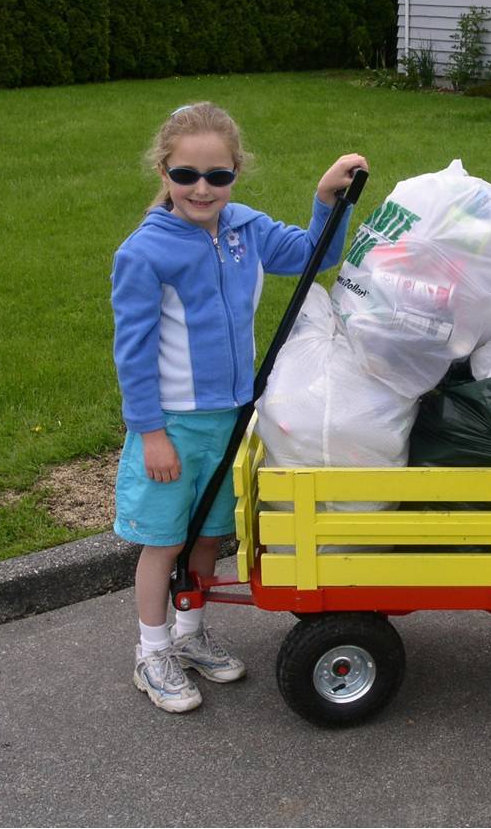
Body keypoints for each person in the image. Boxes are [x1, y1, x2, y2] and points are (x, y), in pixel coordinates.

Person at [110, 101, 367, 713]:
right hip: (172, 424)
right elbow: (133, 354)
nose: (202, 189)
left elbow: (315, 256)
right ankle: (152, 652)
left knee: (208, 538)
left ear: (236, 174)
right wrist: (150, 433)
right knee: (164, 542)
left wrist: (330, 200)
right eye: (186, 175)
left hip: (231, 419)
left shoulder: (245, 231)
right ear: (164, 171)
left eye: (218, 176)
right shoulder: (144, 254)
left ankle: (192, 637)